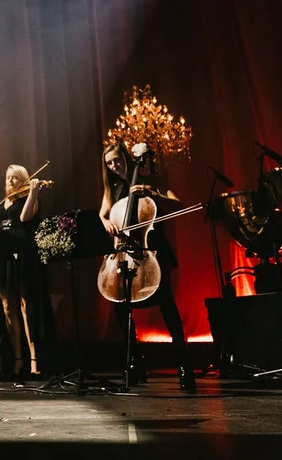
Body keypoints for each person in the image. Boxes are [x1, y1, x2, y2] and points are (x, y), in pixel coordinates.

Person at [99, 142, 195, 391]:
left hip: (150, 253)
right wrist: (106, 222)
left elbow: (178, 205)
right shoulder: (114, 190)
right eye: (109, 163)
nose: (114, 166)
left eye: (117, 160)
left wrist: (153, 194)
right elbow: (102, 213)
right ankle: (135, 363)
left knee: (167, 306)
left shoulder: (151, 181)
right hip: (123, 255)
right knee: (120, 307)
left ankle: (184, 364)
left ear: (126, 158)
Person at [0, 165, 48, 379]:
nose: (10, 181)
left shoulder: (28, 199)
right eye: (7, 177)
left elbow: (24, 218)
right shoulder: (0, 203)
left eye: (14, 178)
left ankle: (34, 360)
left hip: (21, 254)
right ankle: (17, 359)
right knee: (7, 308)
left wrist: (33, 192)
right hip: (1, 257)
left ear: (23, 180)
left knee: (25, 306)